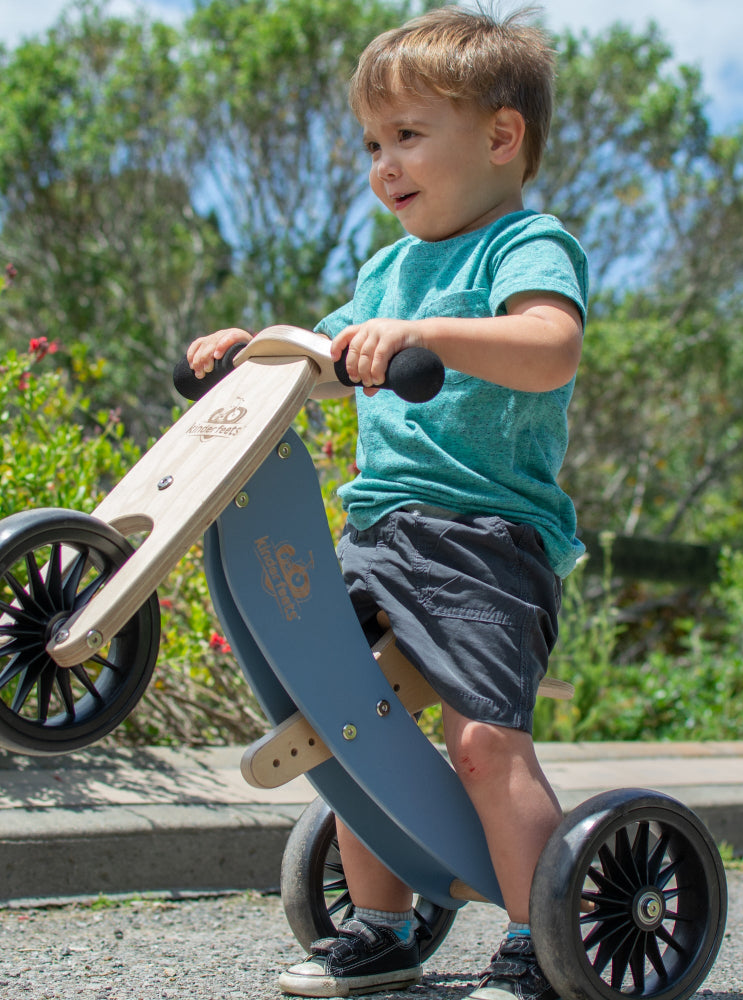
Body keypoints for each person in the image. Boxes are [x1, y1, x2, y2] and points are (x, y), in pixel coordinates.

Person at [187, 6, 588, 998]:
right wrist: (249, 352)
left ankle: (542, 935)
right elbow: (318, 362)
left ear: (500, 136)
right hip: (377, 535)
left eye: (408, 135)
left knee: (483, 739)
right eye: (374, 143)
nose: (384, 164)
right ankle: (380, 925)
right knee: (343, 713)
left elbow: (551, 346)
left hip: (486, 540)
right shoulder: (381, 272)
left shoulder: (524, 243)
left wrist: (433, 333)